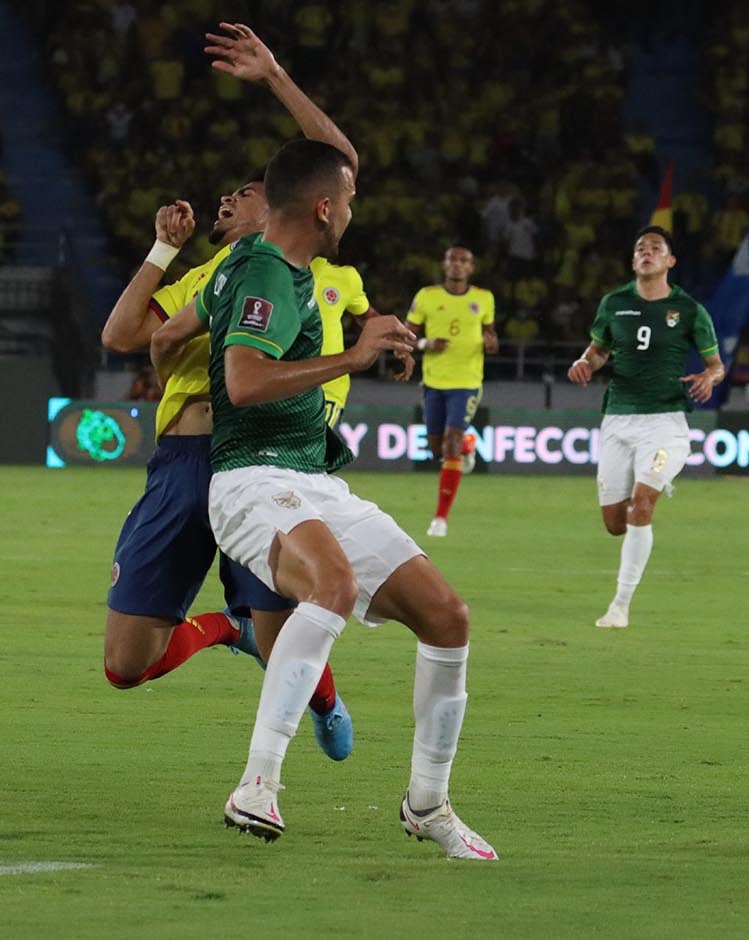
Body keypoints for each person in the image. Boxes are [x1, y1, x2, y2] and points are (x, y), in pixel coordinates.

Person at [152, 138, 497, 860]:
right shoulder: (264, 271)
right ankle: (257, 783)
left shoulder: (286, 271)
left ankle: (427, 804)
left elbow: (158, 339)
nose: (351, 207)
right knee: (332, 586)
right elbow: (244, 382)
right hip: (251, 478)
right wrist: (350, 357)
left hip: (310, 478)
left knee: (447, 616)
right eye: (346, 199)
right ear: (322, 205)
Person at [94, 23, 366, 761]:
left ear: (279, 203)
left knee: (291, 646)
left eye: (242, 191)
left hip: (266, 463)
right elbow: (121, 336)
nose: (226, 198)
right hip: (186, 461)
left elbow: (335, 163)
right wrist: (162, 251)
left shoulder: (321, 272)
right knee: (124, 665)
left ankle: (322, 696)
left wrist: (275, 77)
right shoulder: (199, 279)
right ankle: (224, 627)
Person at [567, 226, 723, 629]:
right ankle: (641, 517)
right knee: (615, 524)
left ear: (670, 261)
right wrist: (586, 362)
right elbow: (599, 350)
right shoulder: (614, 303)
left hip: (664, 423)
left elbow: (716, 365)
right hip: (618, 419)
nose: (646, 252)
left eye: (656, 248)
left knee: (641, 505)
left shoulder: (688, 309)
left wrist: (710, 377)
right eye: (640, 248)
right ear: (633, 261)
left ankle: (620, 606)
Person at [405, 245, 498, 537]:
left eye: (464, 261)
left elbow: (490, 334)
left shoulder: (484, 298)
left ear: (471, 268)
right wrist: (424, 345)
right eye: (453, 260)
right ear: (445, 265)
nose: (457, 265)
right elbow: (407, 336)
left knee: (450, 442)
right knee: (437, 449)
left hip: (467, 382)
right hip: (434, 382)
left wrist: (491, 342)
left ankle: (440, 519)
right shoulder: (427, 296)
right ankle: (468, 446)